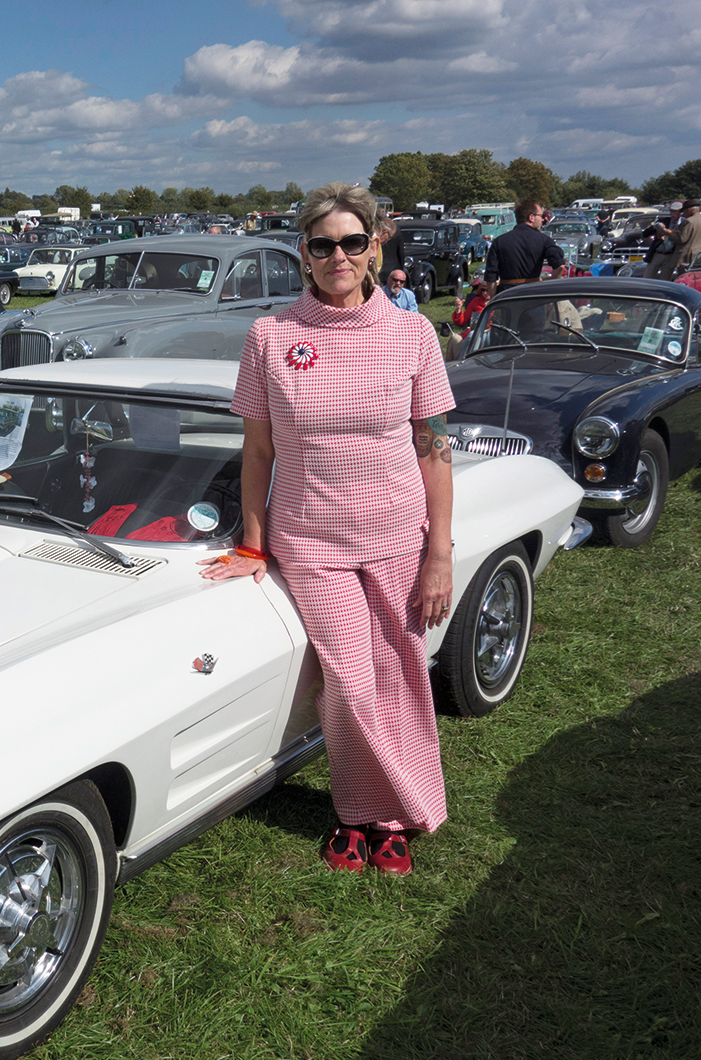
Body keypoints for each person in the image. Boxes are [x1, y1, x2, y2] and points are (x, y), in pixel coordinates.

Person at [202, 182, 455, 877]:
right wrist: (252, 543)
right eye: (323, 245)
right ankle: (358, 810)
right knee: (347, 680)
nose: (338, 256)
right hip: (311, 543)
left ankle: (392, 821)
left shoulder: (413, 334)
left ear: (374, 248)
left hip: (399, 537)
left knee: (400, 673)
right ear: (304, 254)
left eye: (352, 242)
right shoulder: (271, 336)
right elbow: (258, 452)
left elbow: (434, 448)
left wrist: (439, 553)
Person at [485, 199, 564, 294]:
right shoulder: (544, 240)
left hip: (507, 294)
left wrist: (494, 298)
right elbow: (560, 266)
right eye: (541, 216)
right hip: (532, 294)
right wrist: (552, 282)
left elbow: (491, 276)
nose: (543, 219)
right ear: (531, 217)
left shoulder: (499, 241)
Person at [671, 200, 701, 272]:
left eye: (684, 211)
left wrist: (669, 233)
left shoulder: (689, 221)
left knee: (684, 276)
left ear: (688, 210)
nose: (683, 214)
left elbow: (682, 239)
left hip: (688, 256)